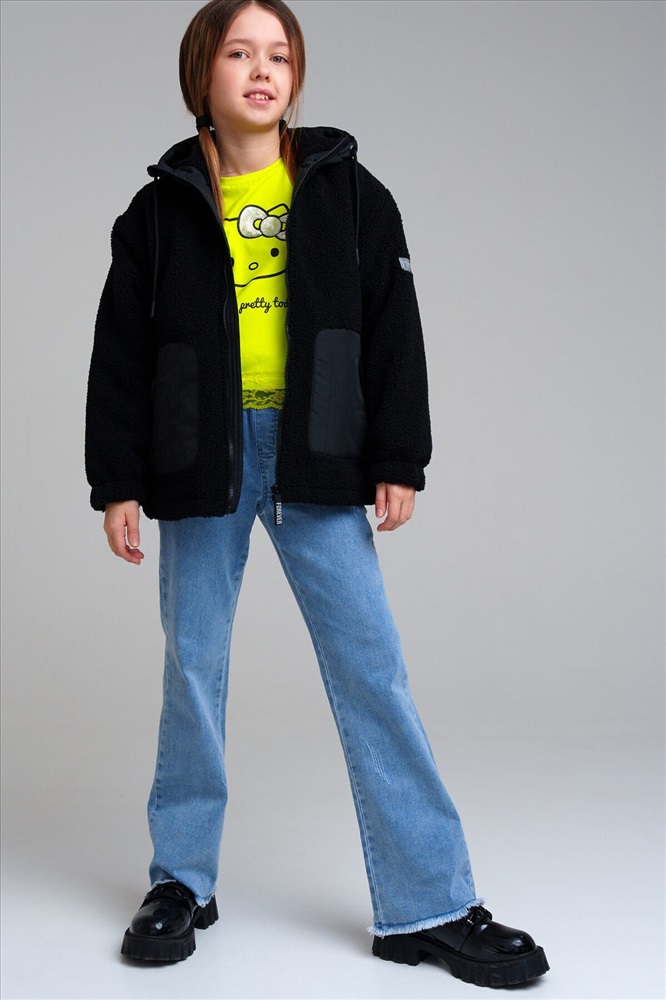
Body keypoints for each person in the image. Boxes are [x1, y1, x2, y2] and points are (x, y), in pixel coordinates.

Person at [84, 0, 549, 988]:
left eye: (279, 55)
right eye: (240, 53)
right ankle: (181, 882)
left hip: (319, 454)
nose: (263, 70)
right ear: (202, 74)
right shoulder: (157, 211)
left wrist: (400, 455)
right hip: (200, 461)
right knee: (193, 668)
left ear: (295, 77)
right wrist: (116, 480)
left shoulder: (350, 194)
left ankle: (427, 905)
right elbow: (119, 353)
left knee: (371, 668)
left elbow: (394, 327)